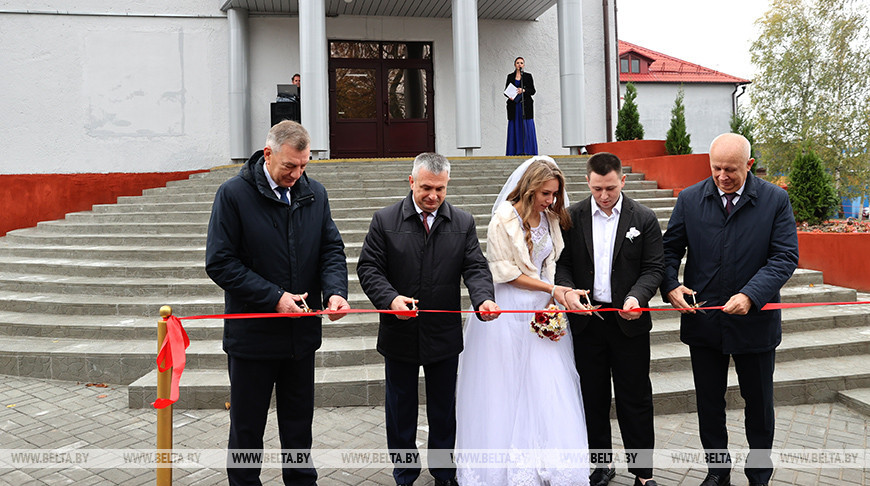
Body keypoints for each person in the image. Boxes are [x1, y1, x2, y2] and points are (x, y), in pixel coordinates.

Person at [205, 120, 350, 486]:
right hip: (252, 338)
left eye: (303, 166)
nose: (296, 174)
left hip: (300, 338)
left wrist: (335, 292)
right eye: (289, 166)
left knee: (299, 427)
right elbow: (220, 262)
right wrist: (275, 298)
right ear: (268, 153)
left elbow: (331, 249)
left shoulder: (314, 193)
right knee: (247, 429)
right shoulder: (233, 194)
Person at [660, 133, 798, 486]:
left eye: (731, 170)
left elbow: (785, 257)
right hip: (704, 320)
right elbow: (668, 251)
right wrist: (672, 286)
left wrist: (752, 295)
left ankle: (759, 475)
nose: (722, 176)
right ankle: (717, 472)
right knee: (709, 403)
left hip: (755, 322)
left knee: (760, 407)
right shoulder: (690, 199)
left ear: (749, 165)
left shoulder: (775, 200)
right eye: (716, 168)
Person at [357, 152, 501, 486]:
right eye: (426, 187)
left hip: (443, 335)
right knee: (400, 411)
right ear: (411, 182)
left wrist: (484, 299)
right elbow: (369, 268)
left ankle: (444, 472)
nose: (433, 195)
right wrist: (390, 298)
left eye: (440, 189)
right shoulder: (385, 220)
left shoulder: (462, 222)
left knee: (442, 411)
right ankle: (405, 473)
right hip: (400, 334)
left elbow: (476, 267)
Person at [455, 156, 589, 486]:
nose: (551, 200)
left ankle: (545, 462)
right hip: (508, 308)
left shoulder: (552, 218)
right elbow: (506, 273)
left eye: (555, 194)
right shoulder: (503, 219)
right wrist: (553, 290)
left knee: (545, 386)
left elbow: (552, 264)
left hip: (543, 305)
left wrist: (553, 301)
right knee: (506, 386)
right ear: (529, 189)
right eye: (545, 193)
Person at [555, 152, 664, 486]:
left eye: (611, 188)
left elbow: (653, 268)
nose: (604, 195)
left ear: (623, 181)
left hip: (628, 323)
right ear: (587, 181)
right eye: (598, 188)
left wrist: (637, 296)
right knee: (593, 396)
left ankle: (643, 473)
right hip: (587, 323)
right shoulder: (570, 217)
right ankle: (600, 465)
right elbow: (562, 264)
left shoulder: (643, 218)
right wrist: (569, 292)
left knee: (636, 398)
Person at [505, 57, 538, 156]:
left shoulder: (528, 76)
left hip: (525, 106)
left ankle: (528, 151)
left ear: (523, 65)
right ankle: (514, 151)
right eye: (518, 63)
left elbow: (532, 91)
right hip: (514, 106)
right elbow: (506, 90)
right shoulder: (510, 76)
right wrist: (509, 95)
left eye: (521, 63)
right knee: (515, 127)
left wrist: (523, 90)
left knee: (526, 127)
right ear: (515, 64)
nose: (519, 64)